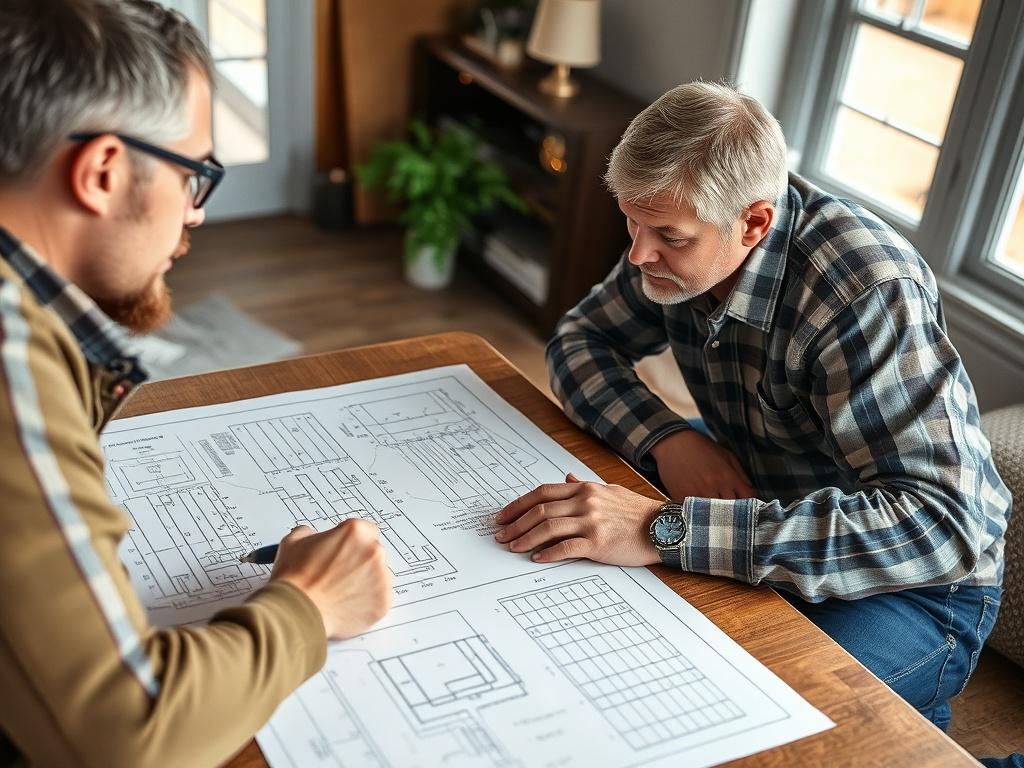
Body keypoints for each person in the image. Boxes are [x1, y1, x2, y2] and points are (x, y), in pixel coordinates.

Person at [495, 81, 1012, 736]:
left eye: (668, 236)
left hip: (912, 585)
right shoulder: (676, 234)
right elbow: (579, 343)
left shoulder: (865, 291)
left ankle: (910, 736)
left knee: (726, 722)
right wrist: (668, 440)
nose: (638, 254)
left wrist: (666, 527)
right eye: (631, 222)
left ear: (755, 223)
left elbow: (940, 526)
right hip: (759, 493)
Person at [0, 2, 391, 765]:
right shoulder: (12, 359)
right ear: (102, 172)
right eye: (194, 176)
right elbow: (127, 731)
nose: (196, 216)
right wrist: (311, 604)